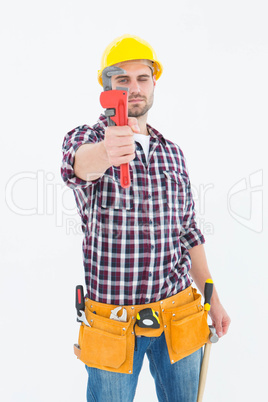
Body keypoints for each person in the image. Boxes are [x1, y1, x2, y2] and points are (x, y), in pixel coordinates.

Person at [61, 34, 231, 402]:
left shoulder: (173, 153)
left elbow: (189, 231)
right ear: (106, 87)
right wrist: (107, 151)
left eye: (142, 78)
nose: (133, 88)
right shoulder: (86, 138)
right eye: (122, 79)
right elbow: (77, 168)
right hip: (112, 324)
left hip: (179, 313)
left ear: (154, 83)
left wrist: (211, 297)